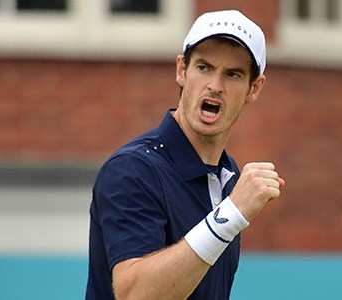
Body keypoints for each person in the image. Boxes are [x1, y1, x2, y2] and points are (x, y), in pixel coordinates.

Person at [86, 10, 285, 299]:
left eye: (232, 74)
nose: (215, 86)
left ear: (254, 88)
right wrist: (229, 216)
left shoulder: (228, 176)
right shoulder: (132, 169)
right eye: (204, 67)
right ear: (182, 70)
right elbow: (134, 294)